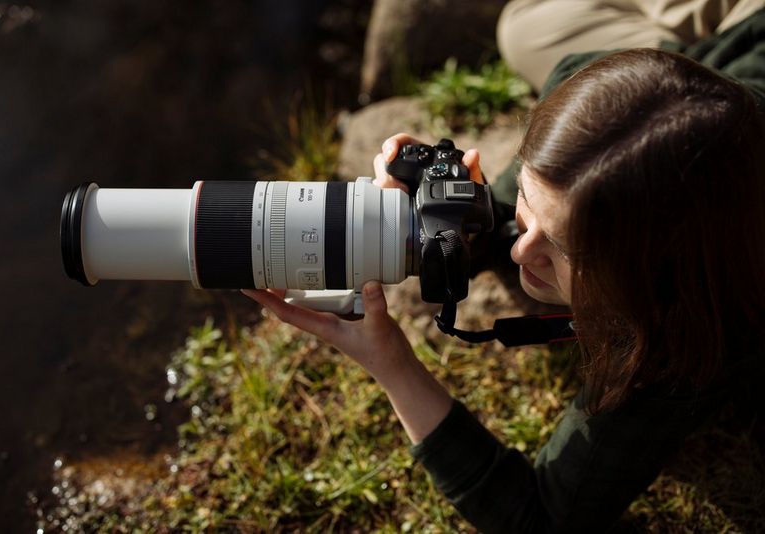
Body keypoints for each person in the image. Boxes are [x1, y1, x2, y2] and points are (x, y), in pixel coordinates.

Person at [242, 9, 765, 534]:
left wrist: (391, 363)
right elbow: (506, 226)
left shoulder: (691, 333)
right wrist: (464, 216)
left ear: (661, 277)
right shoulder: (582, 82)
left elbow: (540, 520)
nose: (519, 253)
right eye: (527, 204)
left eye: (564, 249)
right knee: (523, 26)